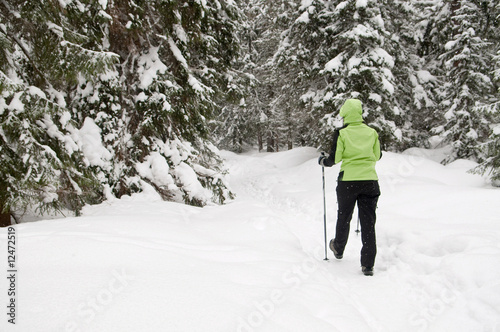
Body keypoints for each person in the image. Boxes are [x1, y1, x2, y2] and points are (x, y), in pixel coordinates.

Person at [318, 98, 382, 276]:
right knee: (368, 222)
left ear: (345, 114)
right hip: (370, 181)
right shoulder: (372, 132)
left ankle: (338, 248)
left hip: (348, 182)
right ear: (360, 113)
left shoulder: (342, 133)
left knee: (344, 215)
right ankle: (368, 264)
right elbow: (377, 156)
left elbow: (334, 159)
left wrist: (322, 161)